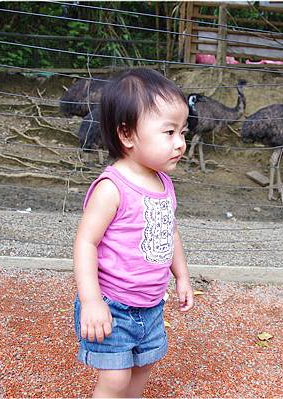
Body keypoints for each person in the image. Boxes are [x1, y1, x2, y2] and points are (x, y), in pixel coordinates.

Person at [73, 68, 194, 398]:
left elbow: (170, 230)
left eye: (183, 132)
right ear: (127, 135)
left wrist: (181, 276)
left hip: (151, 305)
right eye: (168, 132)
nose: (181, 143)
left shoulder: (163, 182)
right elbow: (85, 242)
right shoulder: (112, 188)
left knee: (143, 369)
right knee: (114, 379)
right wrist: (91, 301)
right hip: (112, 306)